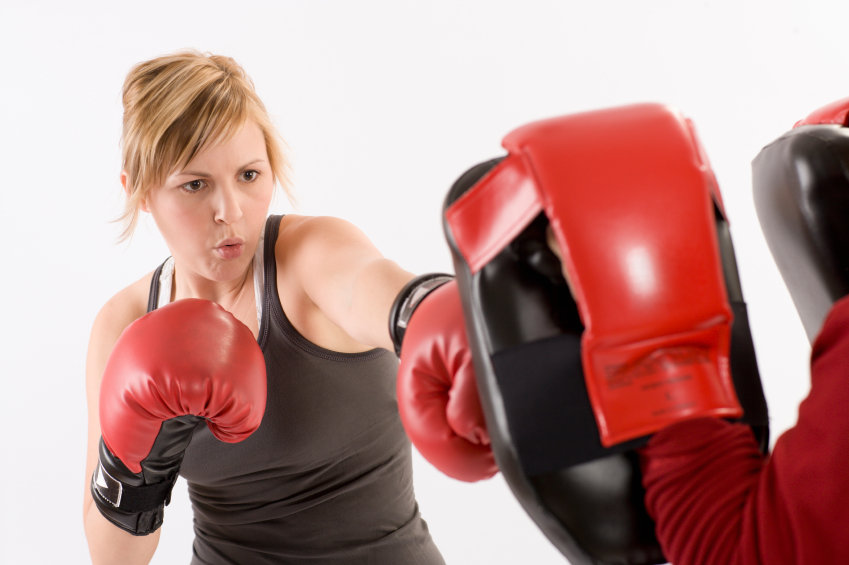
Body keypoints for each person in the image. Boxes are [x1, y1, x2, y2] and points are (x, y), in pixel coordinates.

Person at [82, 50, 445, 565]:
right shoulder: (125, 324)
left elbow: (371, 286)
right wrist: (136, 464)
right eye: (195, 184)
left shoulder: (309, 256)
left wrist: (443, 314)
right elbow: (113, 558)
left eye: (249, 175)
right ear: (140, 192)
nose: (229, 211)